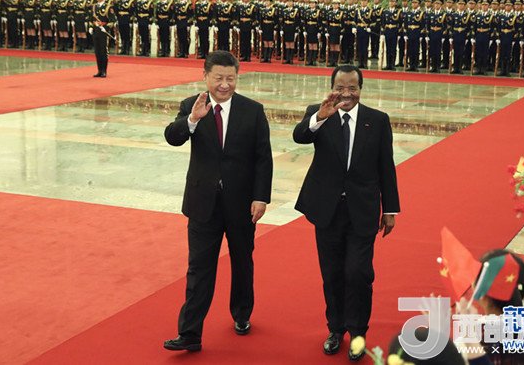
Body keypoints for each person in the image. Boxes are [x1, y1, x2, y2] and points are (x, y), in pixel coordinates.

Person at [163, 51, 273, 352]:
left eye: (230, 78)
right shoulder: (192, 105)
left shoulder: (253, 110)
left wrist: (261, 197)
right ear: (205, 77)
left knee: (242, 262)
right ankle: (190, 333)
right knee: (199, 267)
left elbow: (263, 158)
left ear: (237, 77)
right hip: (203, 203)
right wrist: (192, 120)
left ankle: (242, 314)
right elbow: (172, 137)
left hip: (241, 204)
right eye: (218, 78)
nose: (224, 84)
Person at [293, 65, 400, 361]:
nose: (346, 94)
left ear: (360, 89)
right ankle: (335, 329)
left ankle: (358, 333)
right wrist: (319, 117)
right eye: (340, 88)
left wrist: (390, 209)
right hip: (327, 209)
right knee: (332, 273)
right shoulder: (319, 112)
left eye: (352, 88)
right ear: (332, 88)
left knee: (358, 273)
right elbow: (299, 136)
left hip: (362, 210)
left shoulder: (377, 120)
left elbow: (386, 166)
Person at [90, 0, 115, 78]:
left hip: (104, 32)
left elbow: (113, 21)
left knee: (103, 51)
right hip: (96, 30)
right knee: (97, 51)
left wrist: (105, 27)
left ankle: (104, 71)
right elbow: (91, 19)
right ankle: (99, 70)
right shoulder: (94, 6)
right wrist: (91, 27)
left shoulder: (108, 7)